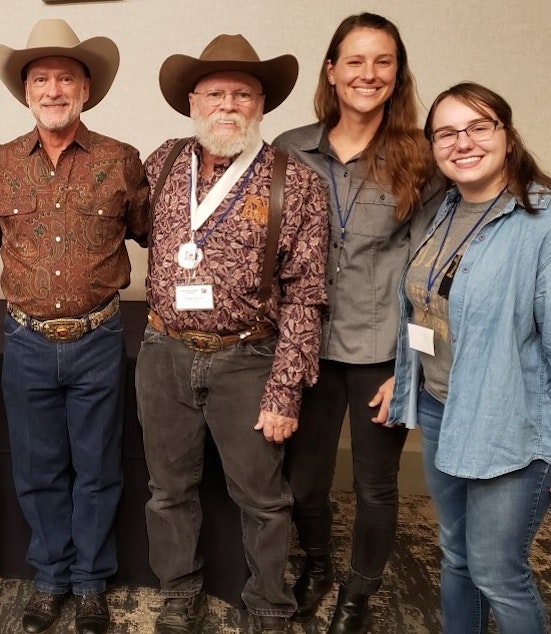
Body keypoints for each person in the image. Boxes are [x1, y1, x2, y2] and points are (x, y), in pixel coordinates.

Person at [135, 34, 328, 634]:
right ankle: (178, 593)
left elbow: (307, 295)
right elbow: (146, 236)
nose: (227, 104)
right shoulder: (162, 161)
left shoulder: (295, 182)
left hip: (249, 359)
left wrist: (284, 390)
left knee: (263, 500)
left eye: (242, 93)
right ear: (191, 101)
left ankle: (270, 606)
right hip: (162, 350)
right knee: (167, 491)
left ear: (261, 104)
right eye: (214, 92)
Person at [273, 13, 441, 633]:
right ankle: (316, 565)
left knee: (375, 487)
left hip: (381, 352)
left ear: (397, 74)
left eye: (383, 62)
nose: (369, 74)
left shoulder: (423, 158)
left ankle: (358, 595)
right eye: (356, 61)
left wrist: (411, 366)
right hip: (305, 347)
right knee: (305, 479)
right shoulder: (290, 149)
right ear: (332, 71)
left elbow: (432, 268)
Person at [0, 19, 149, 634]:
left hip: (97, 338)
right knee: (38, 471)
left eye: (67, 77)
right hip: (24, 339)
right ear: (26, 91)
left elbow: (163, 239)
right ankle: (49, 577)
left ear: (86, 90)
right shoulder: (3, 164)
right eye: (42, 79)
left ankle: (90, 583)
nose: (54, 89)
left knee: (97, 467)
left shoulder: (121, 160)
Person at [389, 81, 551, 633]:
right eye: (447, 132)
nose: (464, 142)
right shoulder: (446, 209)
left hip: (509, 423)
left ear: (507, 134)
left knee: (497, 571)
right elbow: (428, 306)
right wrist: (404, 378)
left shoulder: (542, 223)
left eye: (479, 127)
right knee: (456, 555)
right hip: (441, 408)